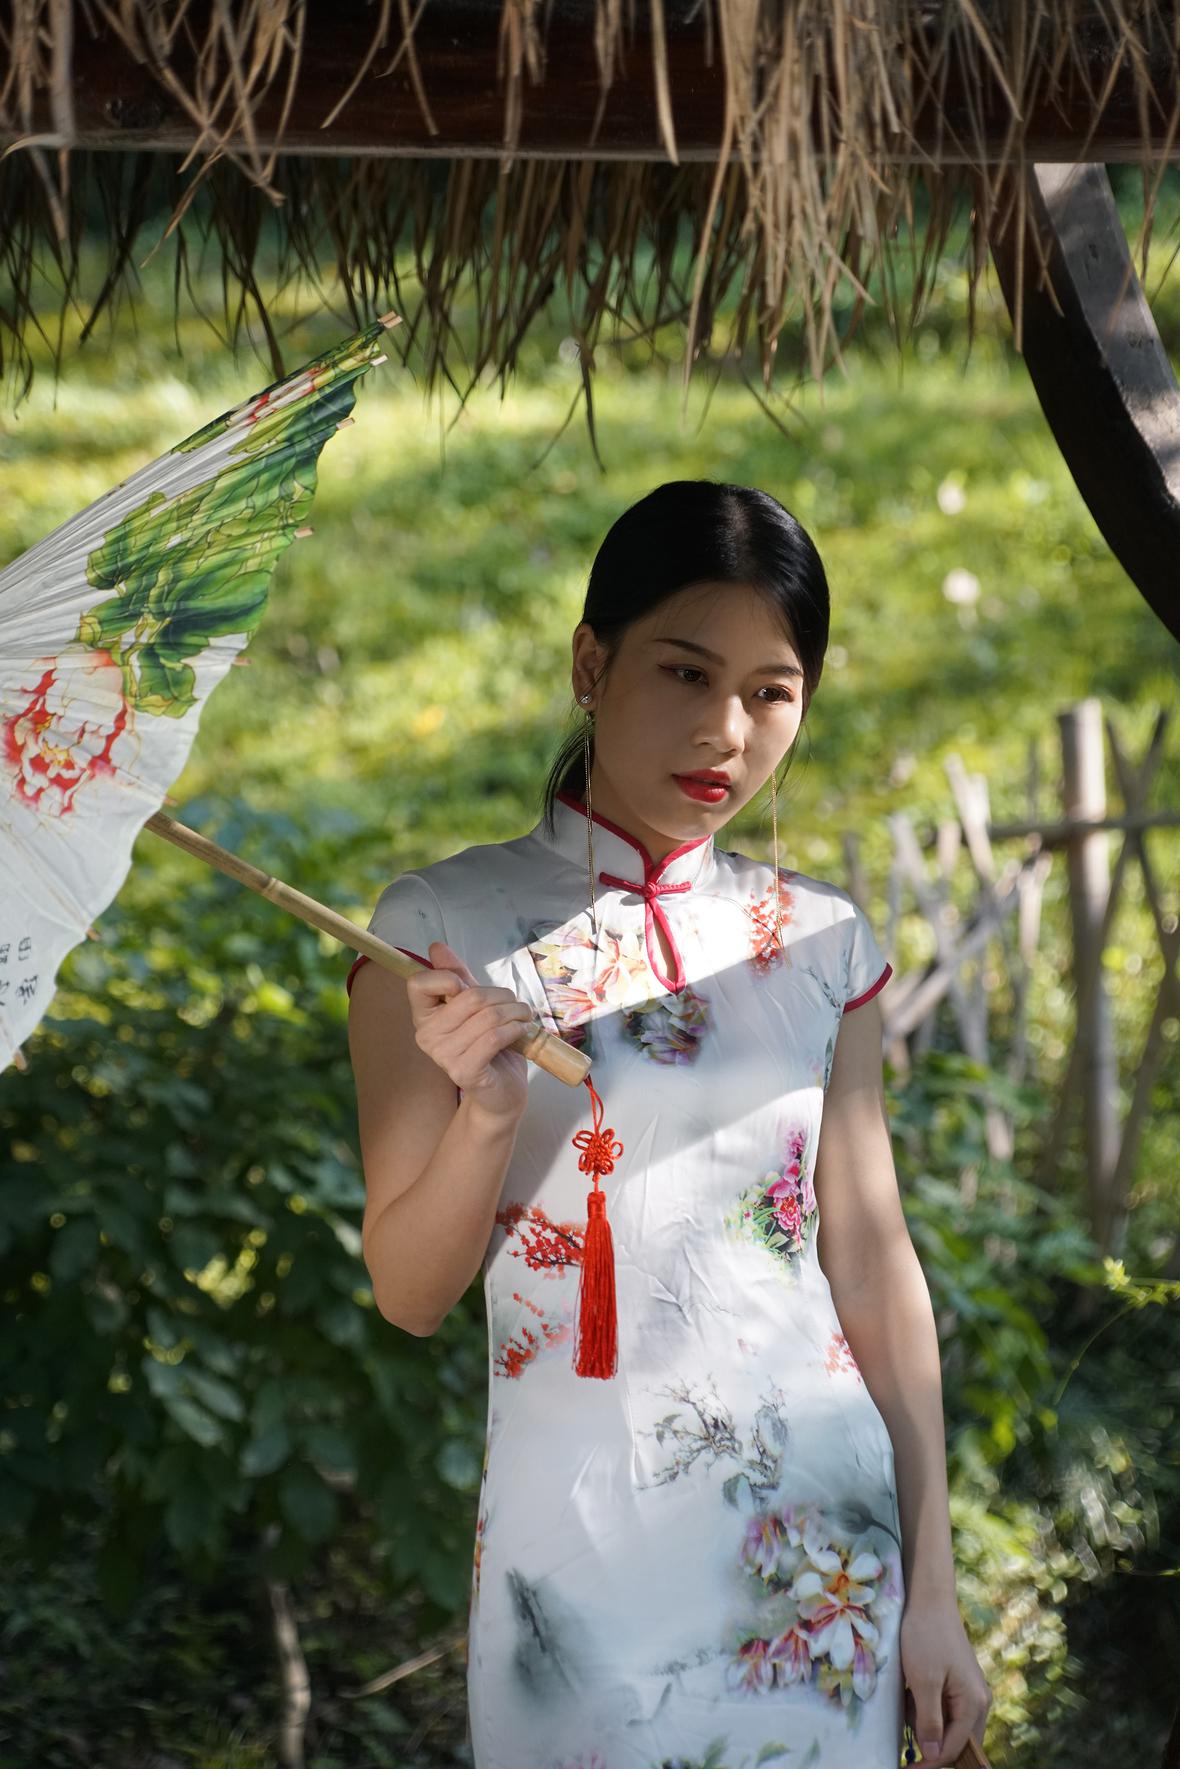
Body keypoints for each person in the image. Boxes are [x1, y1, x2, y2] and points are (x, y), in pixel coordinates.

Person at [346, 481, 991, 1769]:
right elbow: (409, 1295)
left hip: (822, 1563)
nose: (726, 732)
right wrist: (487, 1116)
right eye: (687, 673)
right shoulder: (441, 931)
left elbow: (872, 1262)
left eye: (772, 692)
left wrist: (934, 1590)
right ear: (592, 664)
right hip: (576, 1573)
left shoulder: (820, 941)